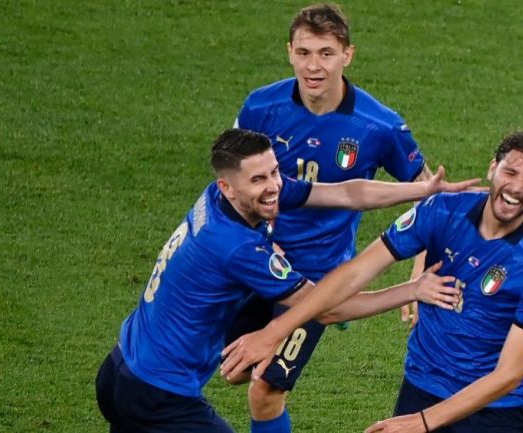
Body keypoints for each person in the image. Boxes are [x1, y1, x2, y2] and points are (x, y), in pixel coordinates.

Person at [95, 128, 476, 433]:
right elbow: (328, 308)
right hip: (158, 394)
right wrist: (412, 289)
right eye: (259, 178)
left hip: (120, 367)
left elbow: (344, 192)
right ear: (228, 185)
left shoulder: (221, 198)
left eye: (274, 171)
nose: (274, 185)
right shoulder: (236, 247)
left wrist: (423, 191)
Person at [220, 131, 523, 433]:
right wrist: (272, 332)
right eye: (510, 172)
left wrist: (422, 422)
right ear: (492, 168)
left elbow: (510, 374)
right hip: (422, 384)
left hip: (496, 412)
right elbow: (357, 272)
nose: (516, 187)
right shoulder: (442, 211)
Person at [231, 3, 432, 430]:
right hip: (250, 260)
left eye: (325, 53)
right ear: (289, 52)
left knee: (265, 391)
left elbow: (428, 194)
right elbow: (231, 182)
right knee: (221, 366)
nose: (314, 66)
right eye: (304, 53)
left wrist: (422, 260)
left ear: (348, 55)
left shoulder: (379, 126)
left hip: (316, 278)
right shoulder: (260, 107)